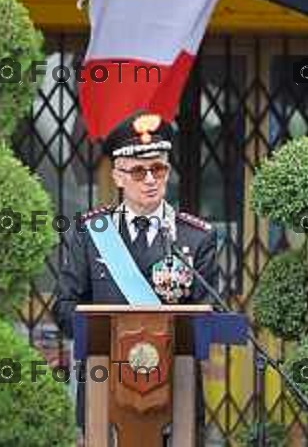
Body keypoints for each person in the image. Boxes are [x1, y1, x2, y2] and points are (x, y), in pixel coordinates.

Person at [53, 110, 217, 445]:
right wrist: (108, 335)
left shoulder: (195, 237)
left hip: (175, 392)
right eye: (139, 171)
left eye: (158, 169)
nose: (150, 180)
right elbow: (65, 305)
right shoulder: (92, 233)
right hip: (105, 389)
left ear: (168, 172)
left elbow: (207, 314)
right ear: (117, 177)